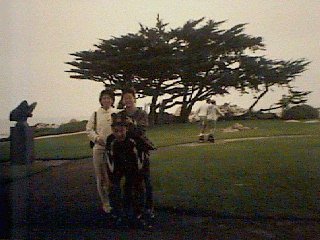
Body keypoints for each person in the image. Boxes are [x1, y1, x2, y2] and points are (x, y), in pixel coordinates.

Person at [105, 112, 147, 228]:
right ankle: (118, 215)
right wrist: (113, 179)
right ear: (112, 130)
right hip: (118, 167)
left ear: (126, 128)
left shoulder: (133, 139)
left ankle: (138, 215)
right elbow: (110, 161)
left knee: (137, 187)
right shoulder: (110, 140)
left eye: (121, 130)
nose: (119, 134)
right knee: (114, 188)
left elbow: (140, 159)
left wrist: (138, 175)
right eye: (116, 131)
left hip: (133, 166)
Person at [119, 87, 155, 219]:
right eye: (125, 98)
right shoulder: (121, 114)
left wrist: (130, 124)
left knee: (145, 179)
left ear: (134, 98)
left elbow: (141, 131)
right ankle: (130, 208)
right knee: (128, 179)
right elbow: (118, 132)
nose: (127, 100)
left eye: (130, 97)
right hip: (125, 151)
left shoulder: (141, 113)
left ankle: (149, 207)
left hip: (140, 149)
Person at [86, 88, 117, 213]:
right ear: (100, 100)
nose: (106, 100)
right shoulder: (95, 114)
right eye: (104, 98)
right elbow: (89, 130)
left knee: (112, 175)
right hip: (99, 149)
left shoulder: (115, 113)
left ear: (112, 100)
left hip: (113, 149)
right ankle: (105, 203)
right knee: (100, 177)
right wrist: (97, 138)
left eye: (109, 98)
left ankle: (115, 201)